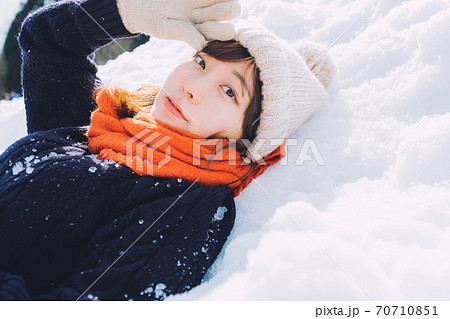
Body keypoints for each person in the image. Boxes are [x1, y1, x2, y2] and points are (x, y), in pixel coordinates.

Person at [0, 0, 335, 300]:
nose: (191, 87)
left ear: (247, 137)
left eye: (230, 92)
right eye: (202, 63)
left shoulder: (184, 206)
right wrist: (127, 12)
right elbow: (46, 40)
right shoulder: (97, 128)